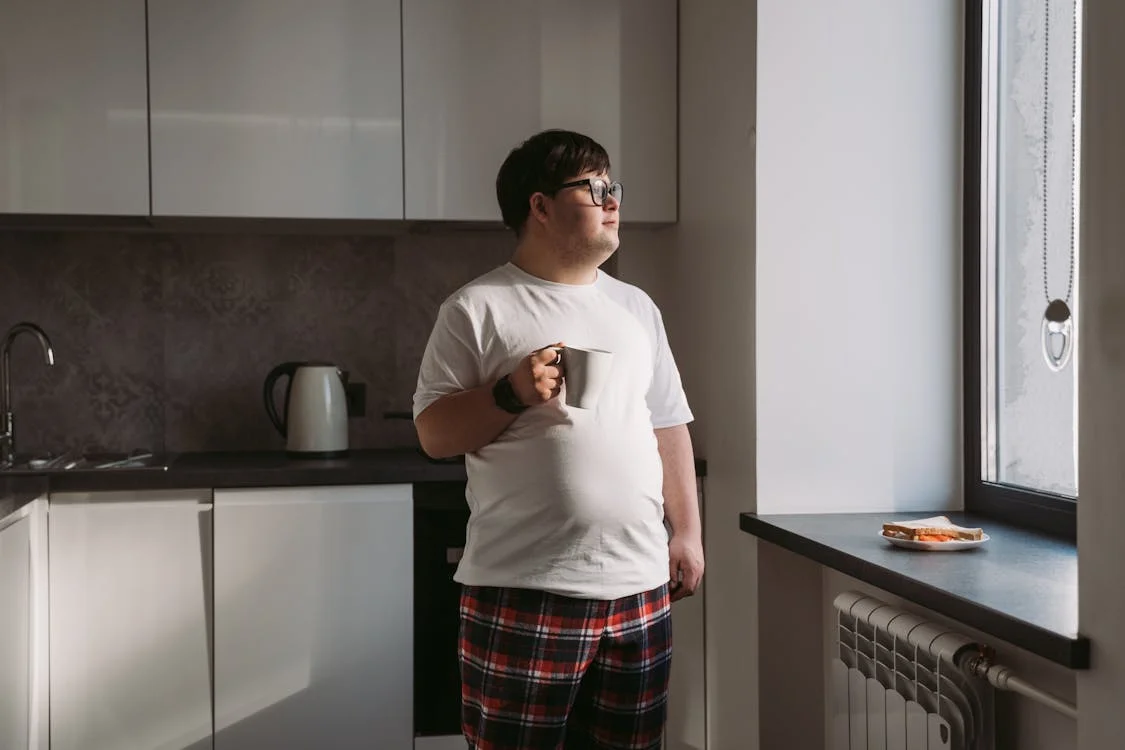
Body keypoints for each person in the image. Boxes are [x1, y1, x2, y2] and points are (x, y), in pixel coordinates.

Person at [412, 129, 704, 750]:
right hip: (524, 588)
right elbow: (434, 434)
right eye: (593, 188)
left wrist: (687, 533)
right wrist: (510, 393)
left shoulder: (636, 308)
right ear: (540, 206)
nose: (612, 199)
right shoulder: (477, 308)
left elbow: (668, 424)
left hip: (639, 589)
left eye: (613, 186)